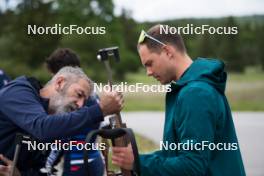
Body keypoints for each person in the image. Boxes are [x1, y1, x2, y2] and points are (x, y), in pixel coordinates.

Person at [112, 24, 246, 175]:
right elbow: (175, 155)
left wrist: (139, 163)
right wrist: (137, 159)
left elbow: (192, 166)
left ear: (167, 51)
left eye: (150, 63)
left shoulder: (196, 94)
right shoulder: (188, 89)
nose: (148, 72)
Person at [0, 66, 123, 175]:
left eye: (84, 102)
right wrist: (100, 110)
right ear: (60, 82)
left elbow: (41, 169)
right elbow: (42, 128)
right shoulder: (18, 91)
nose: (80, 105)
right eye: (79, 94)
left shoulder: (58, 127)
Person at [44, 48, 104, 176]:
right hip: (95, 158)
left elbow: (60, 138)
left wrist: (48, 165)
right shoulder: (91, 93)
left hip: (76, 162)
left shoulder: (70, 101)